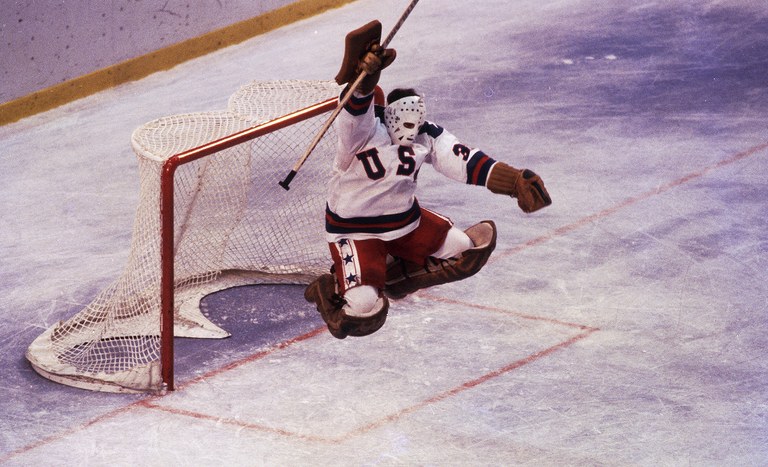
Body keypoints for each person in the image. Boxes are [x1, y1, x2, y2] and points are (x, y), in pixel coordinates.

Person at [305, 21, 552, 339]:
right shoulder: (361, 134)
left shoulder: (425, 134)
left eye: (416, 121)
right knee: (364, 313)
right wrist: (366, 78)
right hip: (356, 231)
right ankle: (331, 287)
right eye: (404, 120)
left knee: (468, 250)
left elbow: (461, 159)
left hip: (406, 224)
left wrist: (513, 181)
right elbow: (355, 110)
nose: (411, 129)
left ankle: (394, 277)